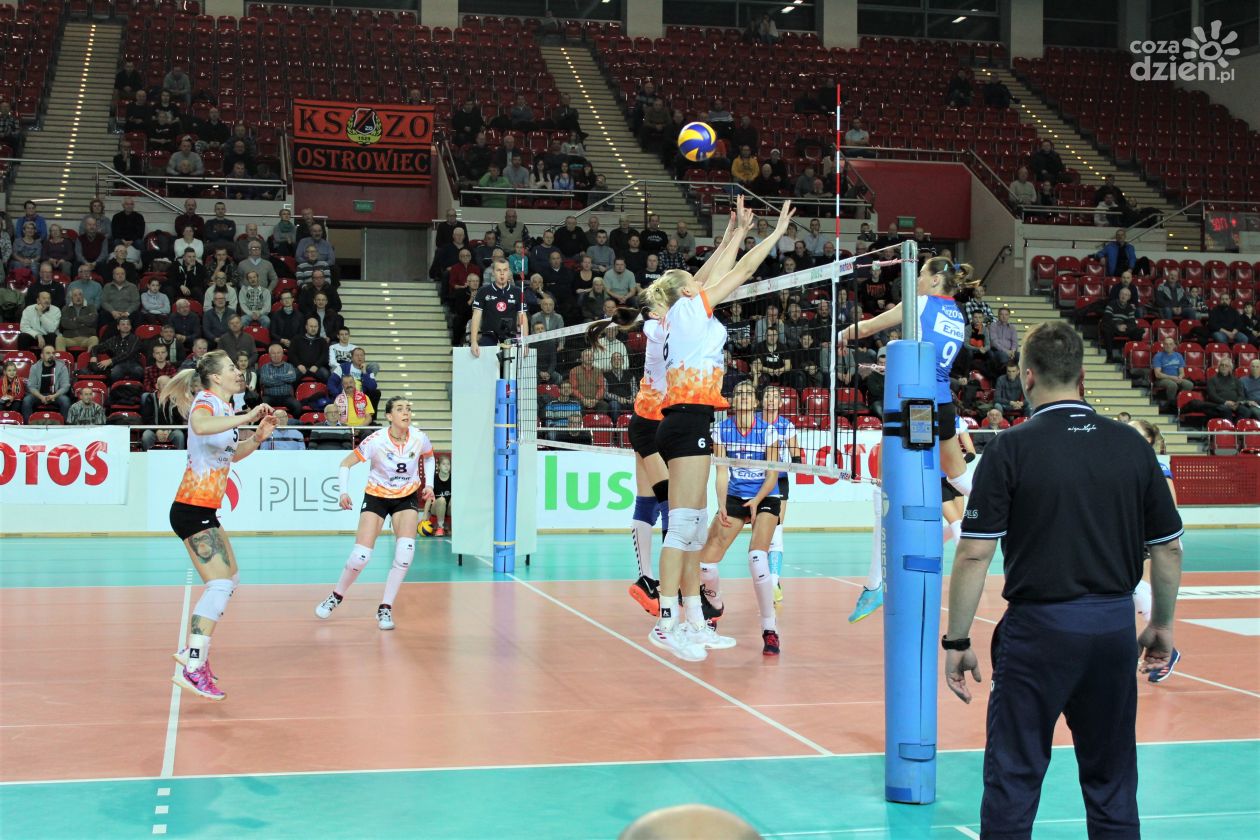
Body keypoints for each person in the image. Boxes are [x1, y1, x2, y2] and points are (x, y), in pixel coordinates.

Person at [944, 321, 1183, 839]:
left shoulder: (1010, 448)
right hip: (1112, 629)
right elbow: (1168, 548)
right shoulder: (1132, 446)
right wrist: (1161, 626)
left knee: (1014, 777)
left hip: (1038, 633)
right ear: (1082, 377)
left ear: (1027, 377)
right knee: (1112, 781)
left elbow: (974, 553)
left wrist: (958, 641)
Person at [643, 196, 793, 662]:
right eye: (693, 280)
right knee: (682, 528)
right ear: (687, 290)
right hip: (686, 420)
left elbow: (709, 272)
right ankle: (666, 622)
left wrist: (736, 232)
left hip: (689, 420)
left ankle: (693, 619)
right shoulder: (688, 311)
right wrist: (773, 235)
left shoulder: (680, 312)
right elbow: (740, 271)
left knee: (689, 529)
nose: (700, 278)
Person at [841, 258, 974, 622]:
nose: (916, 281)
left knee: (884, 485)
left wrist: (840, 334)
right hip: (942, 403)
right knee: (959, 477)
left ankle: (874, 585)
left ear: (935, 280)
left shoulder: (922, 303)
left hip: (917, 405)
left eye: (920, 275)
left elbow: (869, 327)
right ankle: (1008, 512)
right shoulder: (957, 313)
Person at [161, 353, 277, 700]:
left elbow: (229, 455)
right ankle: (193, 666)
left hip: (205, 509)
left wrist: (256, 437)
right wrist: (249, 415)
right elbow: (199, 426)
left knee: (232, 579)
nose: (238, 372)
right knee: (220, 584)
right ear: (215, 377)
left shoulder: (225, 409)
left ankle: (191, 651)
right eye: (231, 369)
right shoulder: (207, 401)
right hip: (191, 507)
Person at [314, 399, 435, 631]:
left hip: (406, 496)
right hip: (377, 496)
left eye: (408, 409)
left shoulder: (419, 437)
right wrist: (343, 492)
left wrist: (429, 484)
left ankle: (385, 607)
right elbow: (345, 463)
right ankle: (336, 595)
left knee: (405, 554)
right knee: (360, 556)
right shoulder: (376, 440)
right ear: (389, 416)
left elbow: (429, 456)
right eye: (400, 409)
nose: (406, 413)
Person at [585, 307, 669, 616]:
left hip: (646, 419)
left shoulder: (656, 326)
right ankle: (672, 584)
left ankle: (647, 578)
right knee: (670, 503)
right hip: (657, 423)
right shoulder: (662, 329)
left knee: (648, 500)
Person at [695, 380, 781, 654]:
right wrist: (721, 503)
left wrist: (756, 501)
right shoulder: (722, 429)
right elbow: (721, 471)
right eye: (739, 394)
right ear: (733, 401)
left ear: (755, 402)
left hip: (765, 495)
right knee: (706, 563)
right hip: (734, 496)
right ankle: (714, 607)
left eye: (748, 394)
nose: (743, 397)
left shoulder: (768, 431)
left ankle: (770, 629)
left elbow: (773, 474)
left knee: (757, 558)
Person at [1126, 418, 1183, 683]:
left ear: (1148, 440)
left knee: (1136, 588)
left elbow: (1169, 508)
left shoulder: (1157, 466)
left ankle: (1164, 645)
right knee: (1128, 591)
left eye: (1133, 431)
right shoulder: (1125, 463)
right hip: (1132, 538)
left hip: (1153, 539)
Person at [759, 384, 801, 605]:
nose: (771, 400)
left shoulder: (786, 426)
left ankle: (774, 581)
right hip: (755, 480)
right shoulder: (754, 422)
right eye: (768, 396)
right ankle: (765, 577)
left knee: (776, 529)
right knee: (760, 533)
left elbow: (796, 455)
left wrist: (796, 462)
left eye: (775, 397)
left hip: (779, 480)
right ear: (762, 400)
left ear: (781, 402)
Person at [469, 258, 528, 357]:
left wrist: (525, 343)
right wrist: (473, 341)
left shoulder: (518, 292)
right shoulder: (483, 291)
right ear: (493, 272)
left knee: (511, 366)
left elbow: (523, 317)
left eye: (505, 270)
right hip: (488, 337)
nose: (502, 273)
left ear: (509, 272)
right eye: (498, 270)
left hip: (510, 337)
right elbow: (476, 316)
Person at [425, 455, 452, 537]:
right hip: (436, 508)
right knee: (441, 500)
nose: (446, 466)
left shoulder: (454, 479)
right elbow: (429, 498)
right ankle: (440, 528)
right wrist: (424, 517)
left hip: (449, 508)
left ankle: (453, 527)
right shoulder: (433, 479)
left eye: (448, 464)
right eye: (444, 464)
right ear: (438, 466)